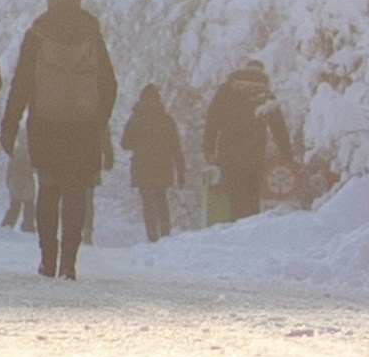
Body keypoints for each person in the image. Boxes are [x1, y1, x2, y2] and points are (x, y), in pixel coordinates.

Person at [1, 0, 118, 279]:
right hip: (83, 127)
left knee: (49, 189)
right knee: (77, 191)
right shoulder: (92, 34)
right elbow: (109, 83)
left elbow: (22, 83)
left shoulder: (37, 34)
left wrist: (10, 124)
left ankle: (48, 259)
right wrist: (98, 119)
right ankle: (69, 262)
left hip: (46, 125)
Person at [201, 61, 294, 222]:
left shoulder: (226, 91)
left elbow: (212, 121)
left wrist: (208, 149)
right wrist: (287, 154)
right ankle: (250, 227)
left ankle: (237, 225)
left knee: (235, 194)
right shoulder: (264, 93)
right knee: (251, 194)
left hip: (229, 151)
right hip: (254, 152)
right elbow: (278, 126)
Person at [122, 82, 187, 243]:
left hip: (142, 166)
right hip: (162, 165)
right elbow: (176, 147)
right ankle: (165, 231)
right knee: (161, 198)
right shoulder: (166, 119)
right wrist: (181, 172)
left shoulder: (135, 119)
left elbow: (125, 143)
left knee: (147, 201)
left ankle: (151, 233)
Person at [2, 124, 37, 236]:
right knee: (28, 205)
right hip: (25, 181)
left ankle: (8, 224)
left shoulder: (16, 150)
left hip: (16, 181)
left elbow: (10, 169)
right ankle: (28, 226)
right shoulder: (28, 151)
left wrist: (9, 182)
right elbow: (33, 167)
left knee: (16, 205)